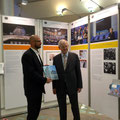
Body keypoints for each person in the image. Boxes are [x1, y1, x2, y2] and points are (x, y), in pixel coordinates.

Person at [21, 35, 52, 120]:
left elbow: (35, 68)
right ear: (32, 42)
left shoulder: (36, 53)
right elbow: (31, 73)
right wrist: (45, 80)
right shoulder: (27, 55)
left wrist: (43, 67)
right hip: (32, 89)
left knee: (36, 111)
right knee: (32, 112)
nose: (41, 43)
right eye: (38, 41)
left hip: (37, 88)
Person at [52, 39, 83, 120]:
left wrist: (79, 85)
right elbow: (54, 74)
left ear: (68, 46)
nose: (65, 48)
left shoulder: (74, 56)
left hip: (72, 85)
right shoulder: (56, 58)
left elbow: (78, 72)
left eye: (66, 46)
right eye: (63, 46)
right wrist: (54, 87)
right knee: (62, 107)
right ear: (59, 48)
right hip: (60, 86)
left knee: (75, 106)